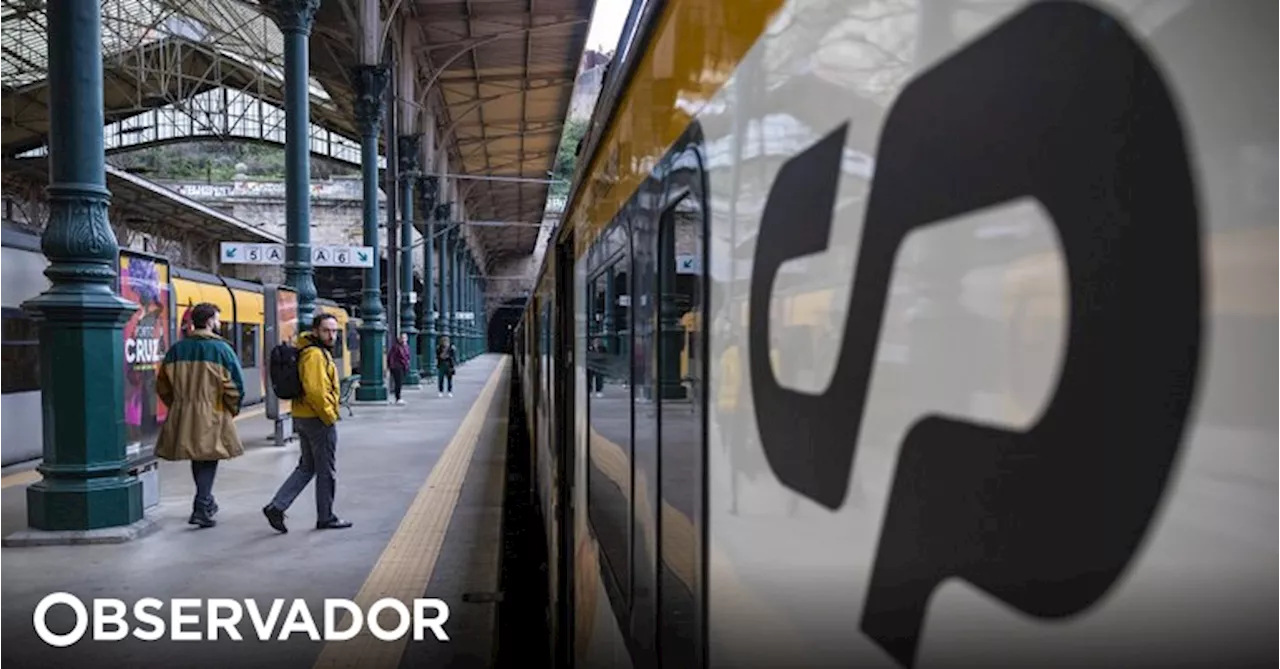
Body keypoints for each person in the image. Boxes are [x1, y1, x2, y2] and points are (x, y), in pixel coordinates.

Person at [154, 302, 245, 529]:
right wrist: (230, 408)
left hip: (185, 412)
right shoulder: (222, 350)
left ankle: (205, 501)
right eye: (217, 318)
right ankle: (202, 505)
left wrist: (179, 406)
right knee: (209, 457)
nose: (219, 323)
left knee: (199, 456)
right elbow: (235, 386)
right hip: (213, 411)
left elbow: (163, 386)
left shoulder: (177, 349)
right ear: (211, 321)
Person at [263, 313, 352, 533]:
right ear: (315, 331)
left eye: (334, 331)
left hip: (303, 417)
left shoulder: (311, 351)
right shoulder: (314, 355)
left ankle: (277, 506)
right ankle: (326, 516)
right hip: (317, 419)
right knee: (325, 470)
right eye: (326, 331)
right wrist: (329, 415)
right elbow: (315, 391)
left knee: (307, 466)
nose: (331, 335)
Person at [387, 332, 411, 405]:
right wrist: (392, 366)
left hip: (403, 366)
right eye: (402, 338)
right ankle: (398, 398)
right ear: (399, 339)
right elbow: (391, 357)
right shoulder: (396, 347)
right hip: (397, 367)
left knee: (399, 383)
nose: (403, 339)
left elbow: (407, 357)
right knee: (398, 383)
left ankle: (398, 397)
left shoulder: (406, 347)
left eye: (405, 338)